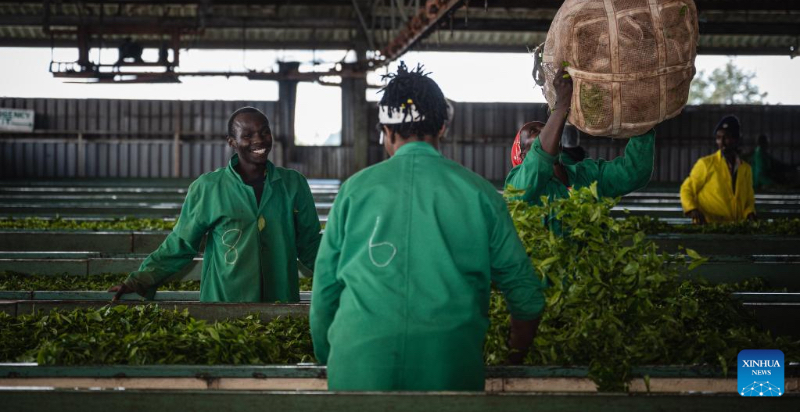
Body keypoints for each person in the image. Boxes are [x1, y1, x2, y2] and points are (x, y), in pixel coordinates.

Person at [310, 64, 545, 391]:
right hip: (450, 372)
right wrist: (512, 358)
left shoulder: (354, 191)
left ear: (387, 131)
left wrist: (332, 357)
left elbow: (324, 295)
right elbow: (527, 298)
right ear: (443, 128)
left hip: (358, 370)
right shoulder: (480, 194)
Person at [109, 107, 321, 302]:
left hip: (280, 300)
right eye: (247, 135)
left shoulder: (293, 184)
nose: (259, 140)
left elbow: (310, 244)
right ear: (232, 142)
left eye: (264, 132)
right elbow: (181, 243)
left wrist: (342, 275)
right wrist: (139, 281)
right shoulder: (208, 187)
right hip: (225, 301)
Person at [505, 66, 655, 207]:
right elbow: (539, 159)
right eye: (533, 132)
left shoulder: (587, 175)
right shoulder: (516, 186)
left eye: (545, 127)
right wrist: (562, 104)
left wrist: (641, 121)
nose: (545, 129)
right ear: (524, 157)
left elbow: (634, 173)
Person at [680, 115, 756, 224]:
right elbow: (686, 189)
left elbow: (749, 199)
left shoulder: (745, 169)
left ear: (736, 139)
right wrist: (692, 209)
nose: (722, 142)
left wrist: (750, 212)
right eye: (718, 138)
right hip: (708, 227)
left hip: (735, 229)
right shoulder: (706, 164)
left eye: (727, 137)